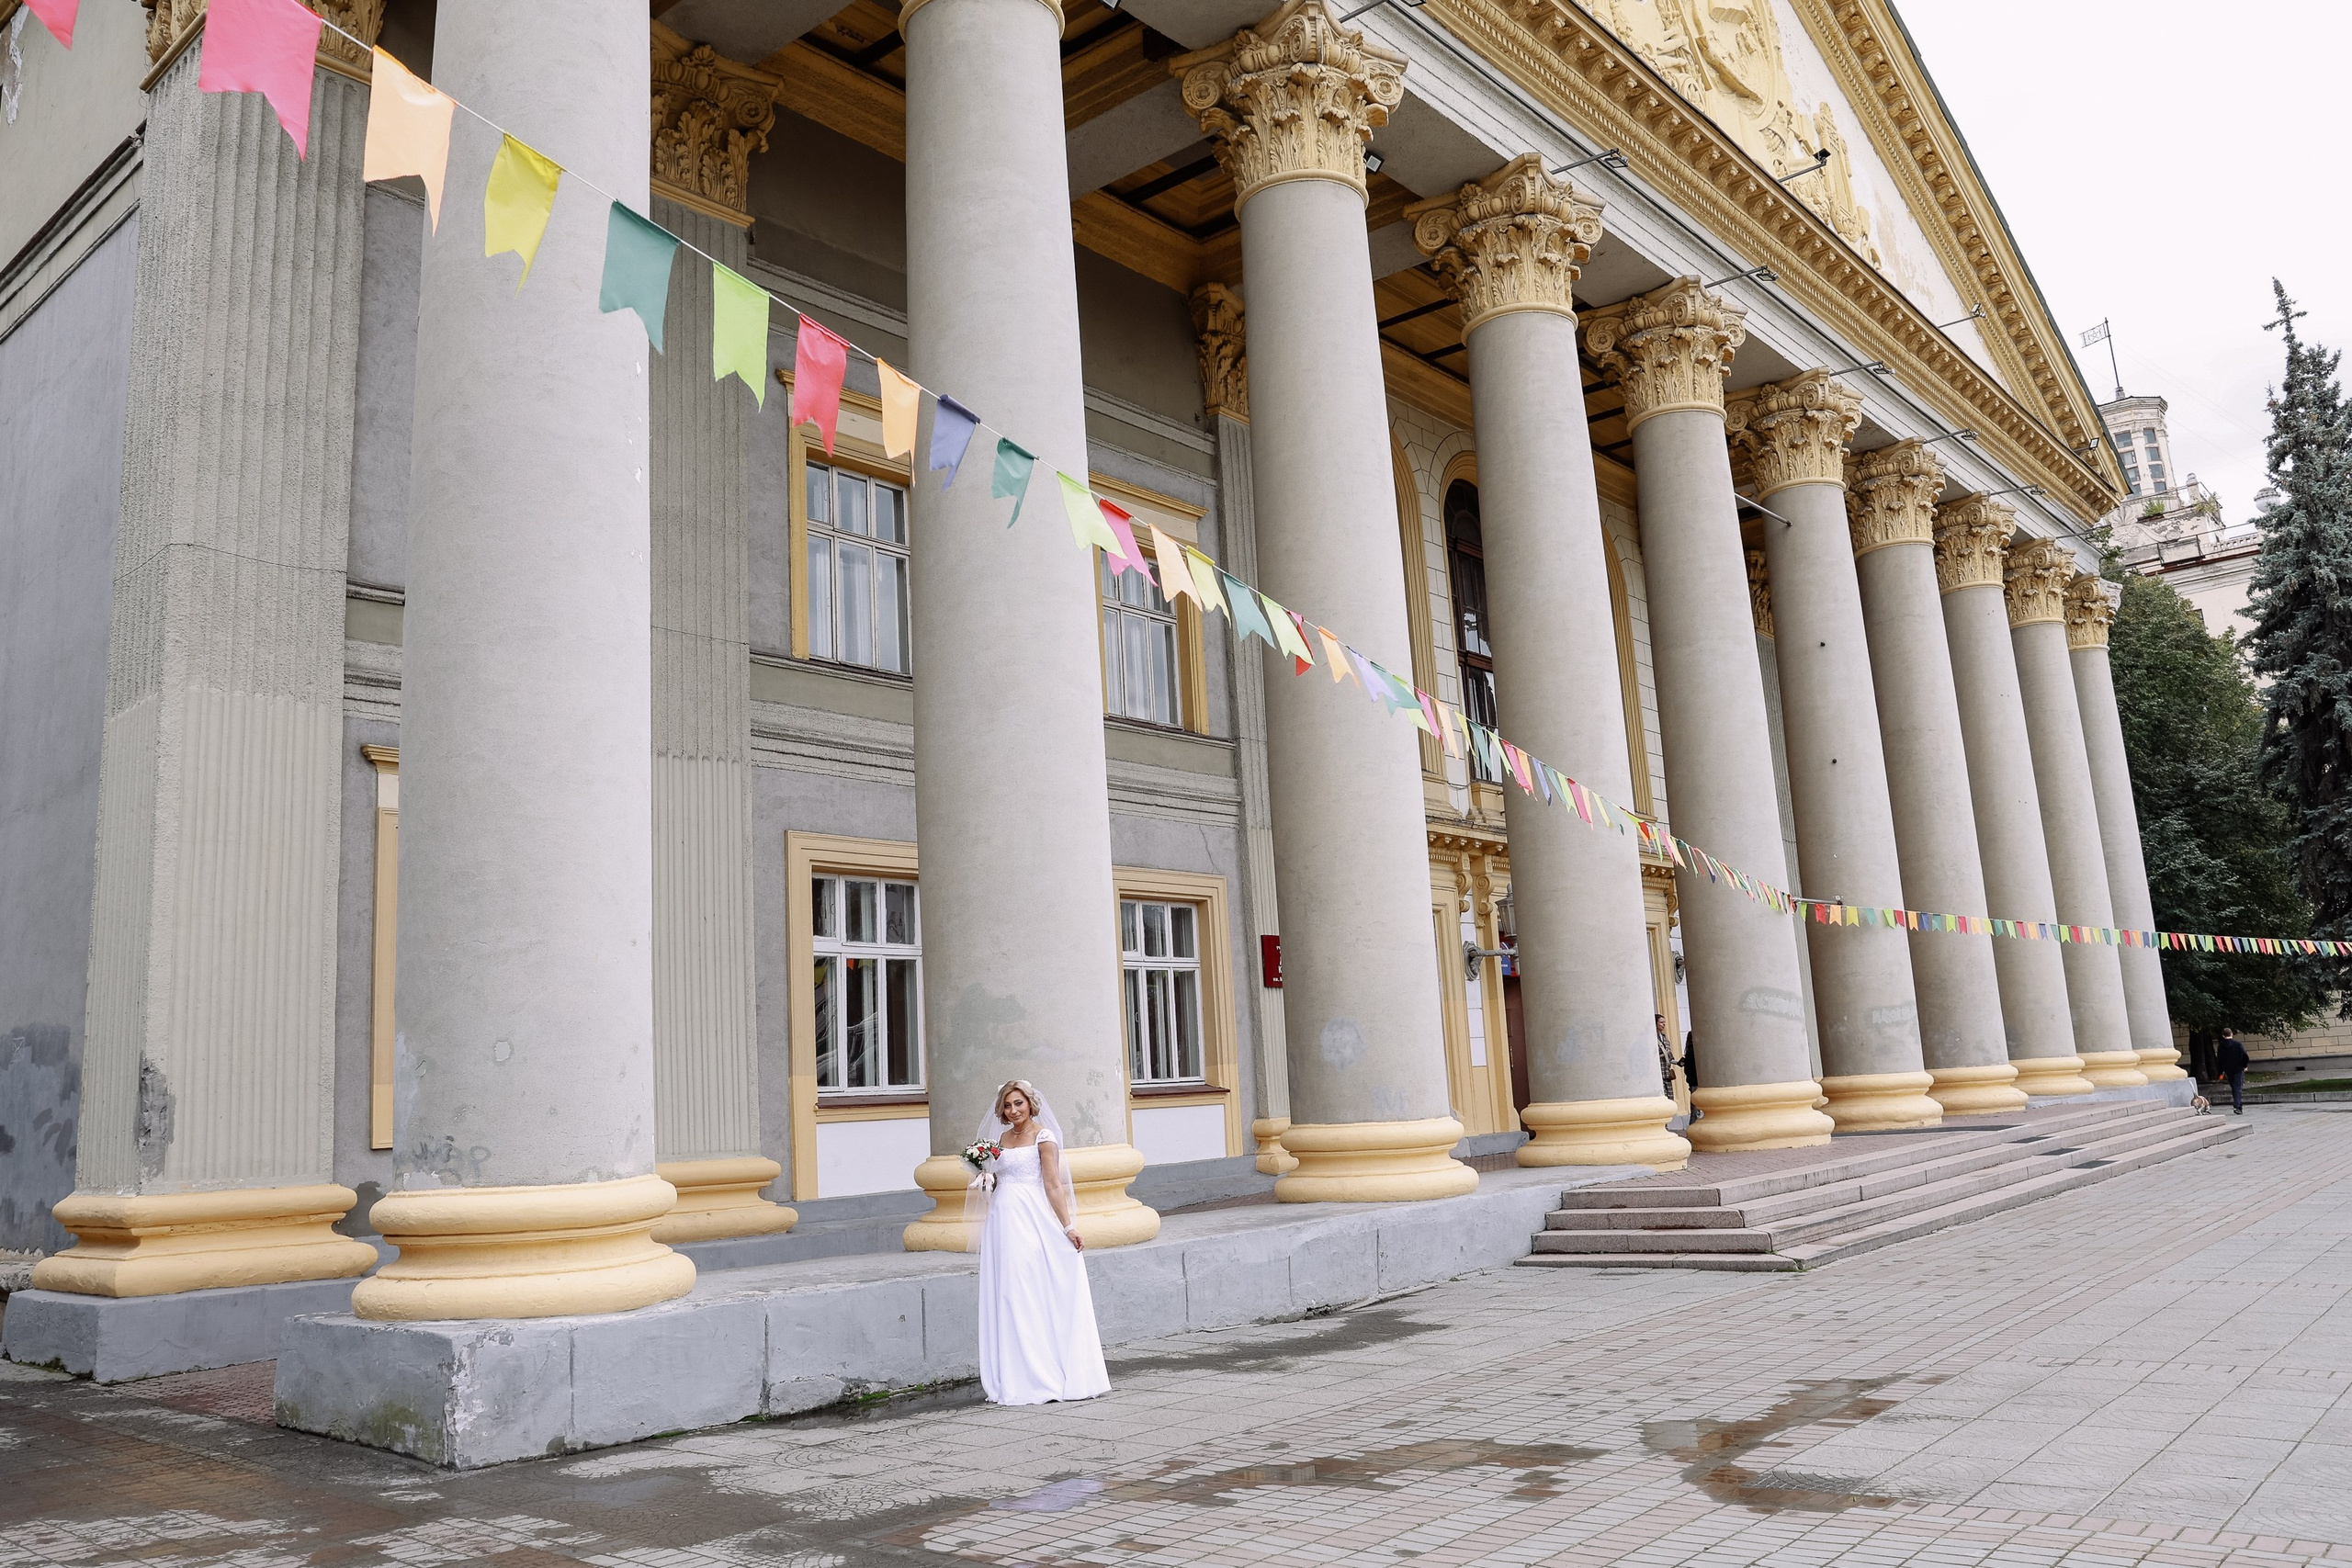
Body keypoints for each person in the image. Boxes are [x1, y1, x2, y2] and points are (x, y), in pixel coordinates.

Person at [968, 1079, 1109, 1404]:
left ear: (1030, 1104)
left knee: (1027, 1287)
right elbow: (1002, 1177)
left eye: (1018, 1103)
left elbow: (1053, 1184)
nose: (1013, 1110)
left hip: (1030, 1218)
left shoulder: (1044, 1137)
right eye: (1007, 1105)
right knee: (1007, 1292)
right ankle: (1015, 1374)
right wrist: (988, 1178)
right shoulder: (1000, 1139)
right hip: (1002, 1219)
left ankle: (1042, 1373)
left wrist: (1068, 1227)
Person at [2215, 1029, 2250, 1115]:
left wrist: (2221, 1071)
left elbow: (2219, 1060)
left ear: (2223, 1036)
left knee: (2234, 1087)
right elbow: (2245, 1055)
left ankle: (2237, 1106)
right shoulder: (2238, 1044)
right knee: (2237, 1087)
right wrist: (2244, 1066)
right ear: (2232, 1034)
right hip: (2238, 1068)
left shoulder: (2220, 1046)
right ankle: (2237, 1106)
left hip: (2228, 1069)